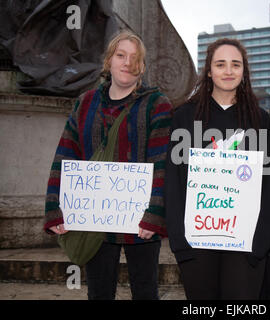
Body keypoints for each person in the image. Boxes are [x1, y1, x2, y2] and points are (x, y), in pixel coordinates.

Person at [43, 30, 173, 300]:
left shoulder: (157, 105)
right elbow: (66, 154)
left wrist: (155, 215)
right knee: (99, 292)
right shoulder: (85, 103)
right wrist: (55, 208)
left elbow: (161, 163)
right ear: (109, 62)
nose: (128, 63)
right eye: (121, 55)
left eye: (135, 58)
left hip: (140, 220)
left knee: (146, 291)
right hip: (94, 218)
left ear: (143, 67)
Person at [164, 38, 270, 300]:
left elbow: (269, 184)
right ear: (208, 71)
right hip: (197, 243)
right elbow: (173, 181)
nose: (228, 71)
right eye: (220, 64)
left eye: (235, 64)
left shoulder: (259, 118)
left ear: (244, 71)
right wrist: (180, 241)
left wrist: (260, 243)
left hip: (246, 244)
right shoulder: (184, 116)